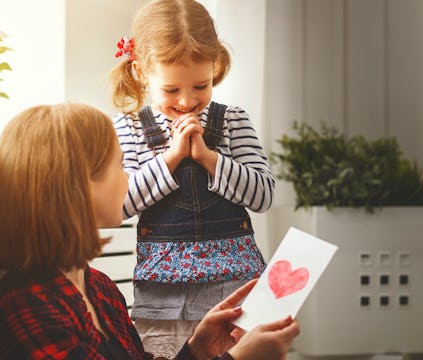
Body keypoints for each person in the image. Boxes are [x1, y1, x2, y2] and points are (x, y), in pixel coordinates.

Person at [0, 102, 299, 359]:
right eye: (119, 166)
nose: (128, 178)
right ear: (78, 187)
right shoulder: (27, 308)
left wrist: (199, 349)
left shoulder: (100, 290)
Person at [108, 0, 276, 357]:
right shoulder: (130, 128)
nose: (187, 101)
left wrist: (209, 158)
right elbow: (119, 204)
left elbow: (263, 196)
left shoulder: (232, 121)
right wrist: (171, 158)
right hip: (163, 305)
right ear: (141, 73)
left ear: (215, 67)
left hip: (237, 294)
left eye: (201, 85)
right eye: (171, 90)